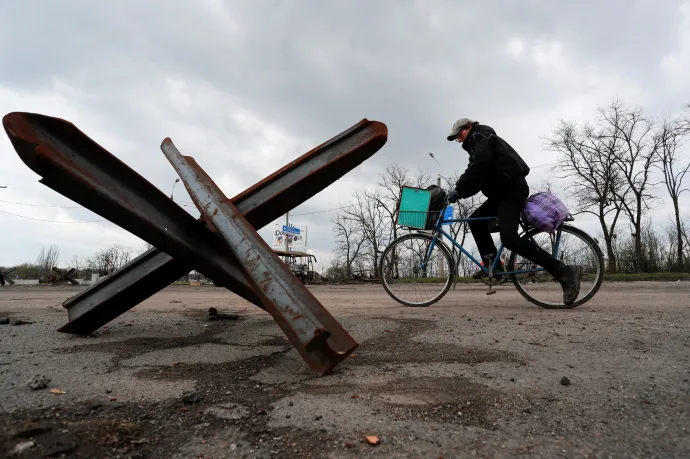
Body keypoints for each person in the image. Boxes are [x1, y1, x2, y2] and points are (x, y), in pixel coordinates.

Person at [445, 117, 583, 305]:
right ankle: (494, 267)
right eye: (456, 139)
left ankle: (564, 271)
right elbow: (478, 177)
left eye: (459, 135)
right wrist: (459, 192)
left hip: (510, 191)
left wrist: (459, 189)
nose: (458, 140)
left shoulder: (481, 136)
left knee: (509, 239)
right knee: (475, 221)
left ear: (468, 127)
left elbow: (479, 167)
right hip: (500, 194)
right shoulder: (477, 143)